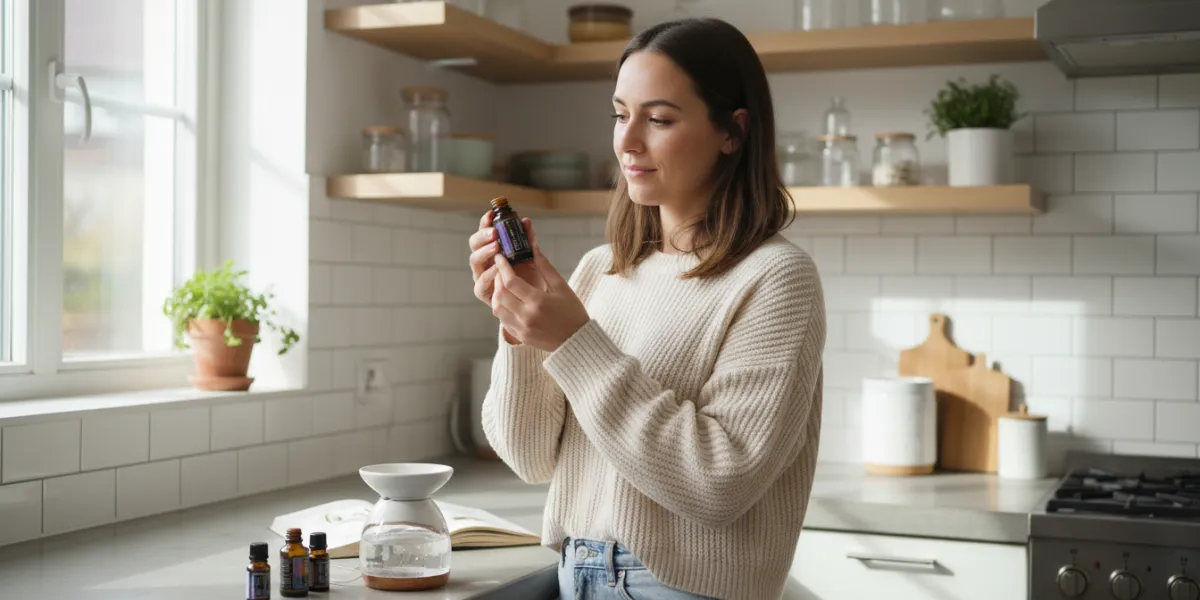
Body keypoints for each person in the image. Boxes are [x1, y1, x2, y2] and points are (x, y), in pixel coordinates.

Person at [466, 17, 825, 600]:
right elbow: (528, 456)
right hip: (575, 570)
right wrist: (520, 323)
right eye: (619, 113)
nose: (627, 141)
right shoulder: (599, 270)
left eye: (658, 119)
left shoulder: (776, 278)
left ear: (732, 132)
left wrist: (574, 341)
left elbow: (719, 484)